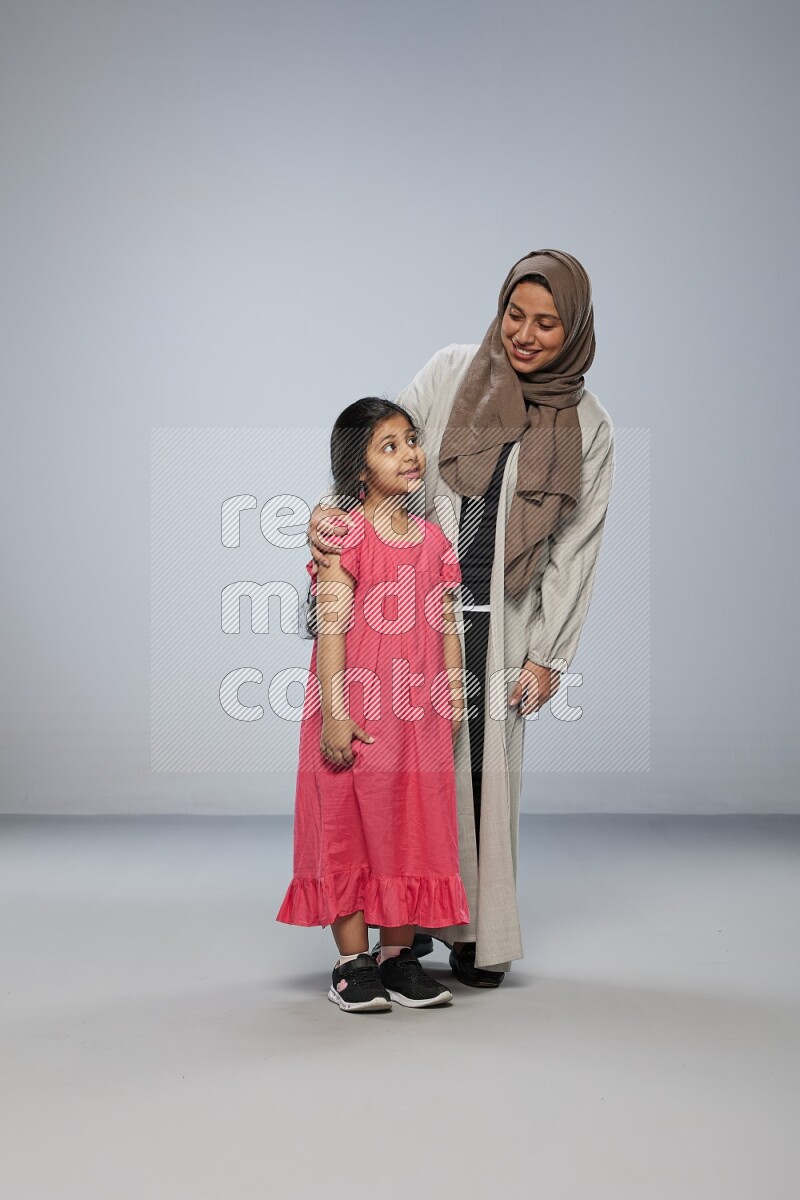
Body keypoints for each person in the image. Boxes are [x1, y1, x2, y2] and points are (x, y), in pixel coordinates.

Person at [308, 249, 615, 987]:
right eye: (516, 315)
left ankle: (474, 934)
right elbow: (378, 454)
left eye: (547, 323)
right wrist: (331, 515)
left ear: (573, 329)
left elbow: (578, 545)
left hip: (503, 621)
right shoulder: (452, 372)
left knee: (484, 778)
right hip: (408, 610)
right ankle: (400, 931)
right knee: (407, 778)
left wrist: (549, 655)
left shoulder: (589, 425)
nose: (526, 335)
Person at [277, 397, 470, 1012]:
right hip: (355, 710)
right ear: (359, 469)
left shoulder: (437, 539)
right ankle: (351, 963)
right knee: (348, 827)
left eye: (410, 440)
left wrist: (453, 694)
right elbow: (331, 629)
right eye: (389, 445)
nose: (409, 453)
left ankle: (397, 957)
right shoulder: (345, 535)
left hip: (417, 718)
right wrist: (334, 711)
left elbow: (447, 624)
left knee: (411, 825)